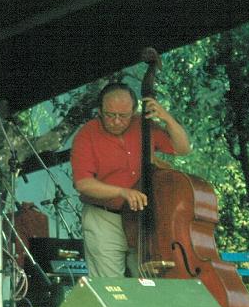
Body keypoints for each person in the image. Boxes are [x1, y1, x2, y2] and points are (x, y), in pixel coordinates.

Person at [70, 82, 191, 278]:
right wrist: (122, 192)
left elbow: (183, 149)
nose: (116, 121)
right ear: (100, 110)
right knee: (112, 289)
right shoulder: (86, 135)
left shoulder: (144, 126)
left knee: (149, 287)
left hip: (141, 219)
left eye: (123, 116)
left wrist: (167, 118)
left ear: (134, 111)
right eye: (110, 115)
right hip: (105, 218)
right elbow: (83, 184)